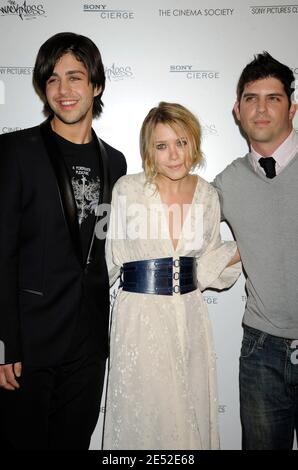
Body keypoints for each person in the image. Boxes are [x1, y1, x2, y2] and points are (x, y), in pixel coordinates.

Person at [0, 32, 126, 450]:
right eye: (52, 79)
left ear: (97, 85)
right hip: (28, 347)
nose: (64, 90)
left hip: (89, 344)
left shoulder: (116, 161)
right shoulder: (16, 150)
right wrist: (5, 344)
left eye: (75, 77)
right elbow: (2, 252)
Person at [102, 102, 241, 450]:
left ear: (193, 142)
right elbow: (109, 261)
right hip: (138, 321)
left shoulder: (208, 195)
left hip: (189, 318)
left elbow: (207, 261)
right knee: (145, 417)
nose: (174, 154)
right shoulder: (127, 190)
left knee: (188, 417)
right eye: (161, 146)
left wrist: (245, 248)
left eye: (181, 142)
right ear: (149, 150)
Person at [213, 52, 298, 450]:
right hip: (261, 351)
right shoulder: (225, 183)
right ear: (237, 109)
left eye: (273, 98)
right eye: (251, 98)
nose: (261, 108)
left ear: (292, 107)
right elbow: (180, 232)